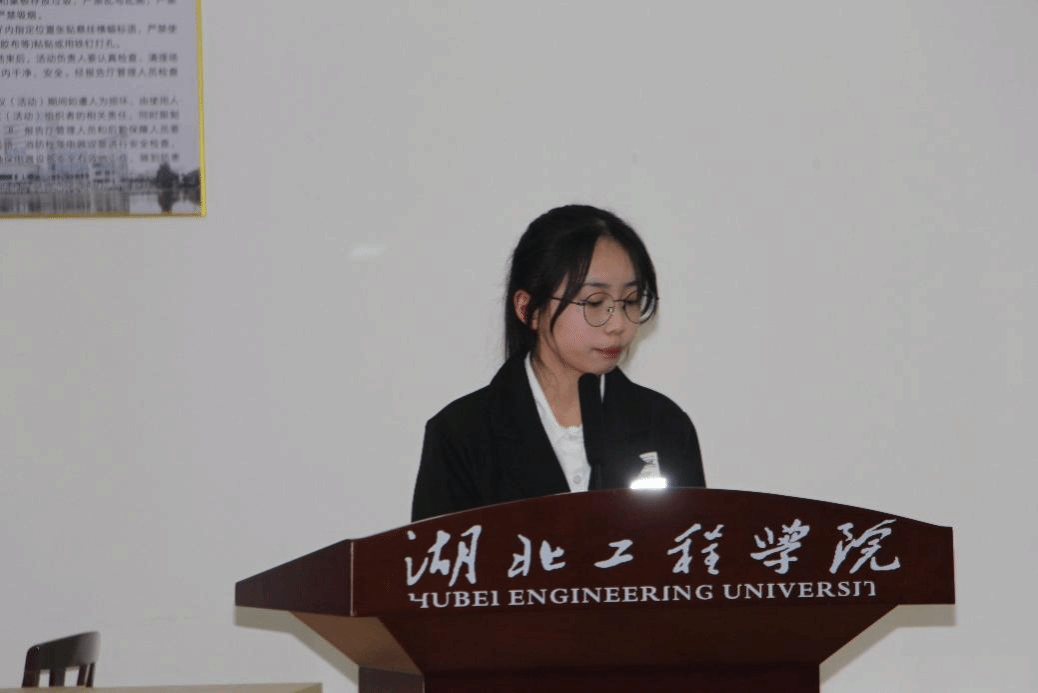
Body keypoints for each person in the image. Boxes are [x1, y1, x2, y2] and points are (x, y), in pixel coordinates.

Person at [411, 204, 705, 521]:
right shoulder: (462, 435)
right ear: (528, 309)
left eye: (631, 301)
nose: (618, 324)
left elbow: (692, 544)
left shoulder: (665, 426)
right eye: (595, 302)